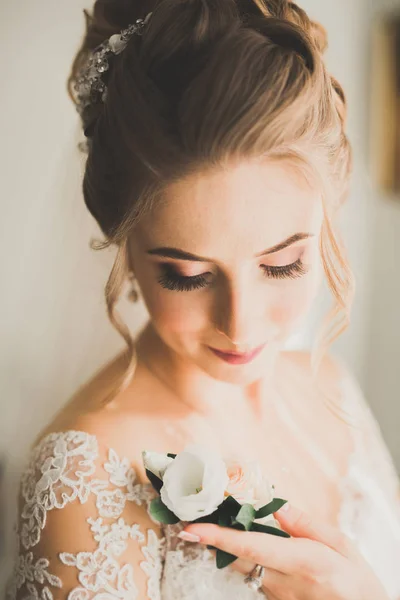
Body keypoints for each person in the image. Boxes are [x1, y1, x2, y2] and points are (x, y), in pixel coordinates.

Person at [5, 1, 400, 599]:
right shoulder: (84, 478)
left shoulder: (330, 389)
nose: (241, 326)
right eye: (187, 275)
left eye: (283, 263)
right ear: (124, 246)